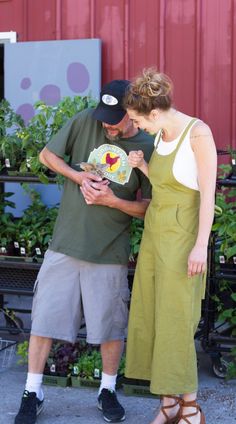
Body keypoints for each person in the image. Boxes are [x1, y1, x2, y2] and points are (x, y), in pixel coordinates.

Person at [14, 80, 154, 424]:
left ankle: (107, 390)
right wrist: (78, 177)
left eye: (115, 119)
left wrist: (113, 200)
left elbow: (150, 208)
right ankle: (33, 391)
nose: (107, 125)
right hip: (65, 244)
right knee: (44, 319)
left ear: (132, 112)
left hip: (109, 251)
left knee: (109, 326)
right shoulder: (85, 121)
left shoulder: (148, 145)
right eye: (105, 117)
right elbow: (46, 155)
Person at [123, 68, 217, 424]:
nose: (137, 128)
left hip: (183, 241)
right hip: (154, 236)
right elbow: (170, 183)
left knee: (178, 318)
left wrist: (200, 247)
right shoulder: (161, 133)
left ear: (155, 112)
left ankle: (190, 407)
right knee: (152, 315)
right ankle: (168, 403)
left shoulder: (198, 134)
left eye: (137, 121)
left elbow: (206, 195)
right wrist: (145, 166)